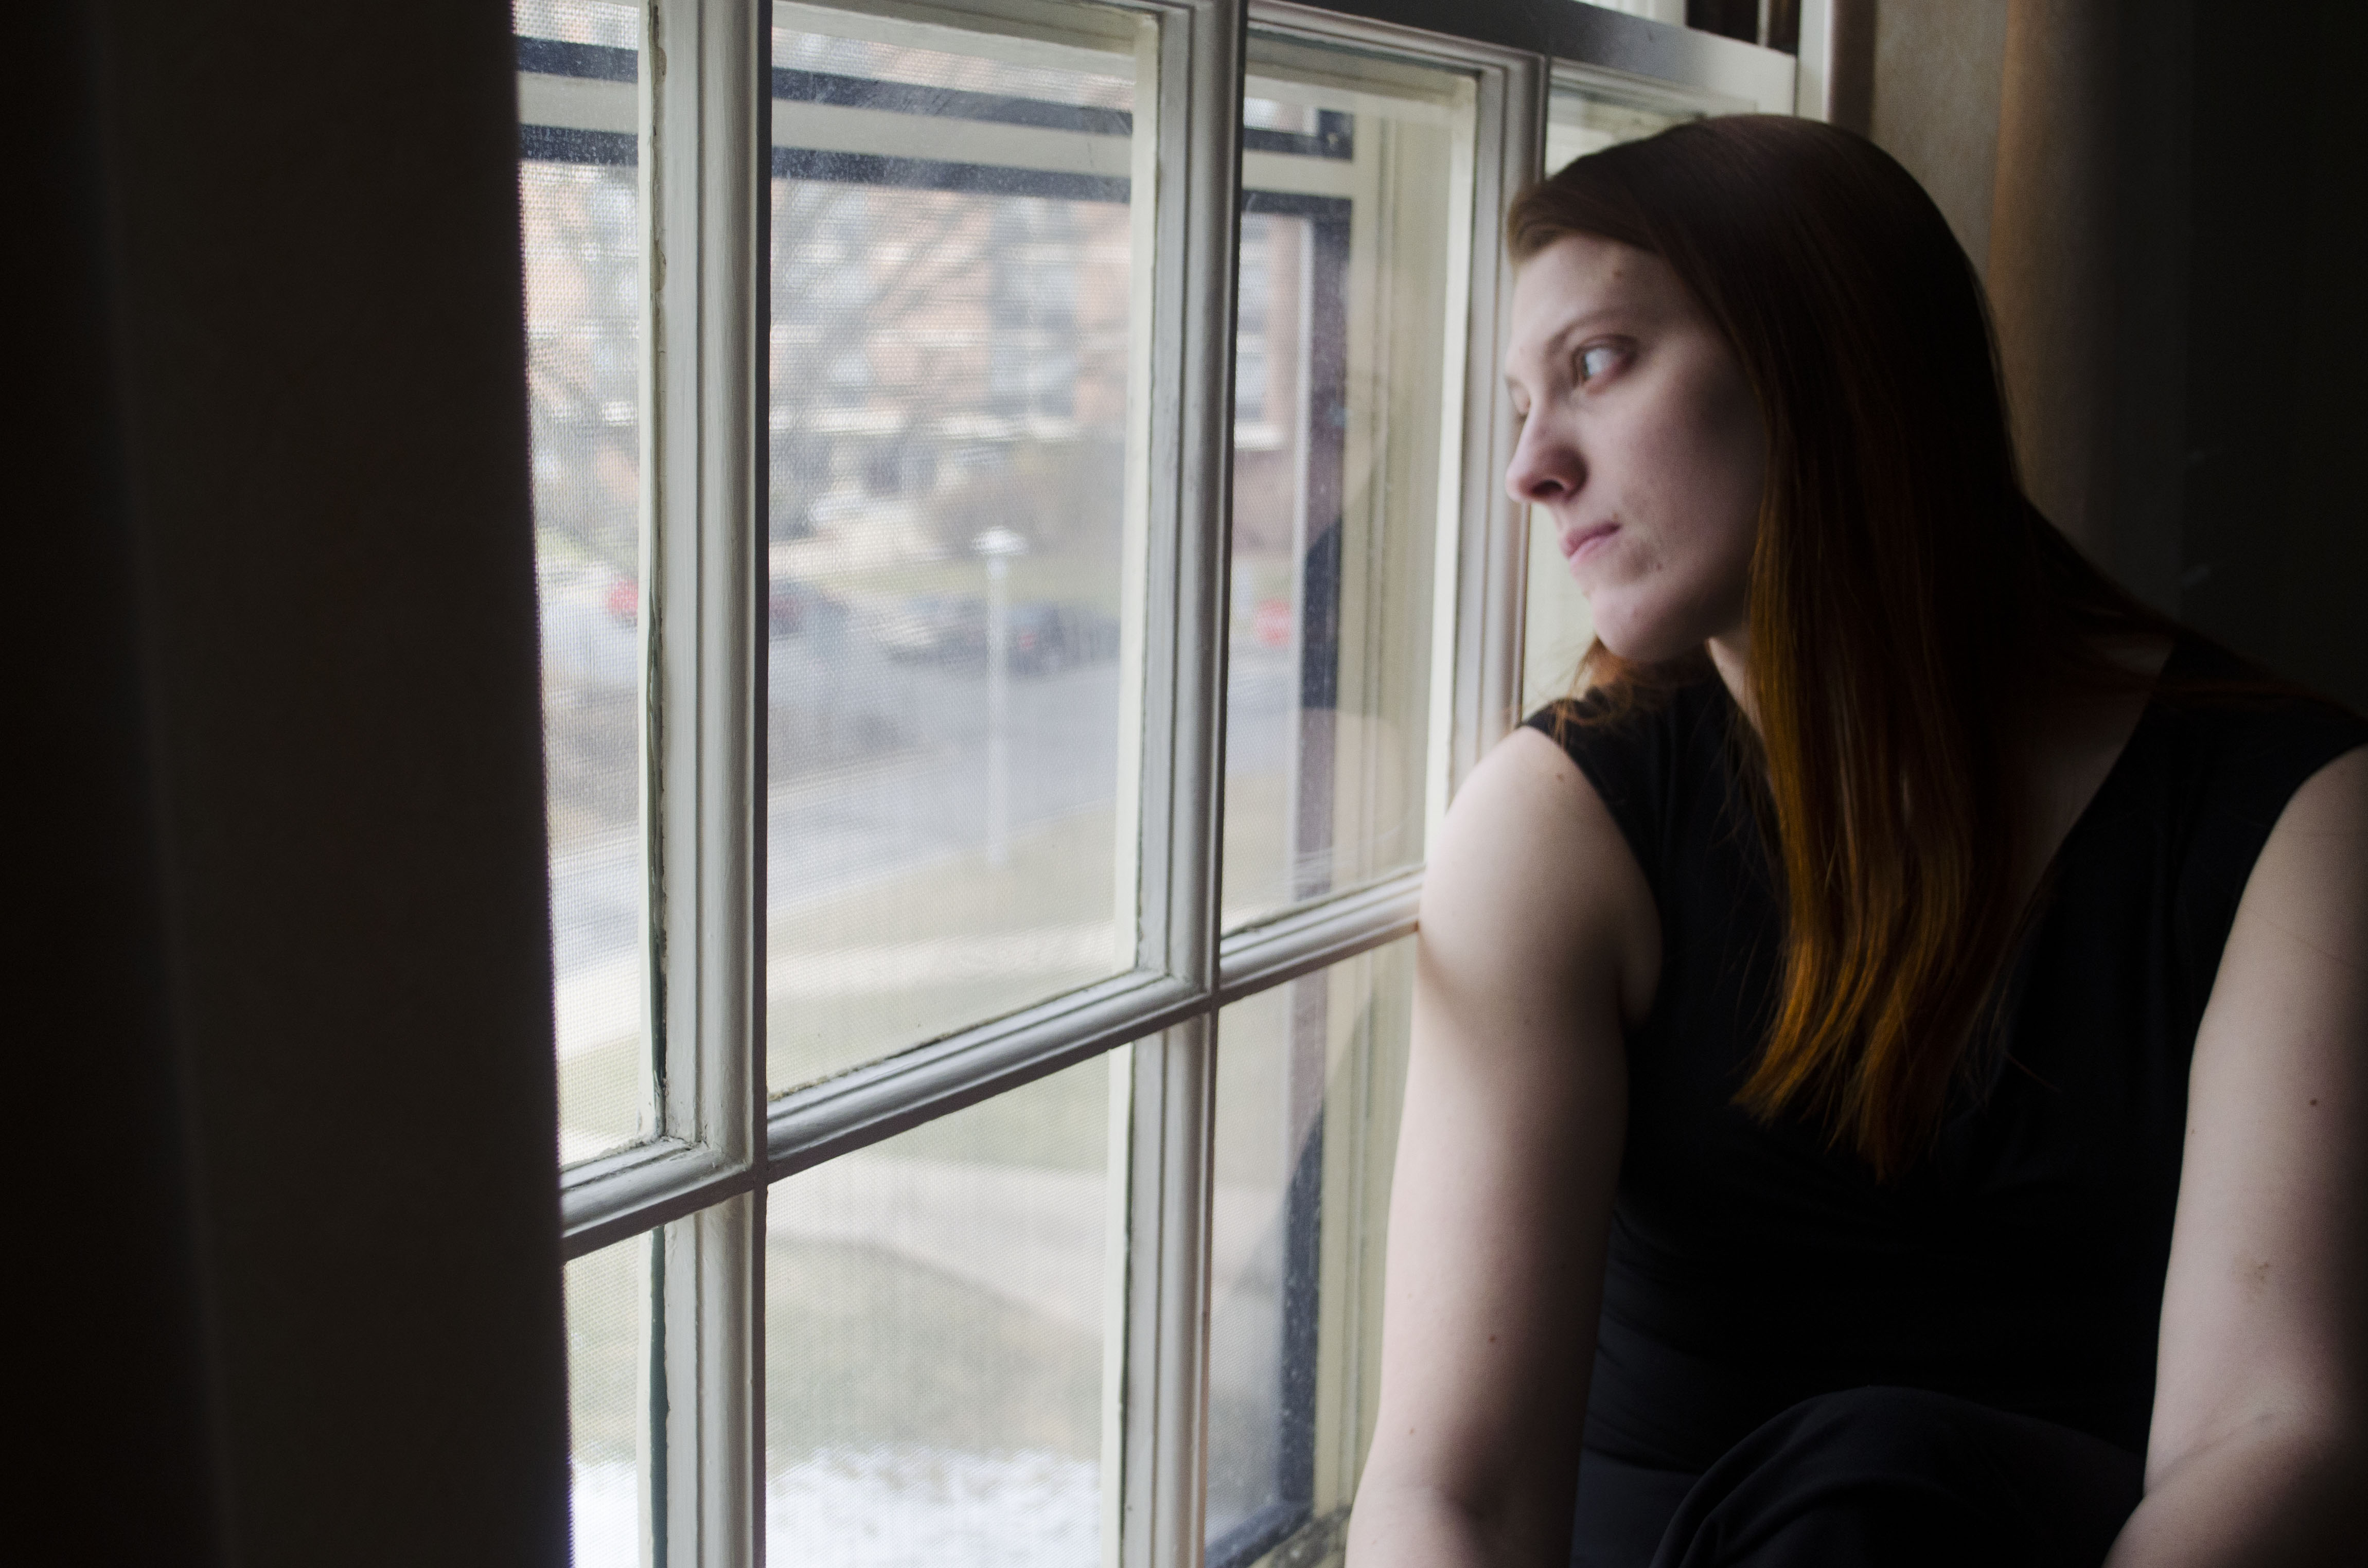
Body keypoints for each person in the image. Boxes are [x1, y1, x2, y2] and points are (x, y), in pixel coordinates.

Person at [1342, 116, 2367, 1568]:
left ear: (1820, 358)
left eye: (1596, 363)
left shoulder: (2298, 817)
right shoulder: (1556, 822)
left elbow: (2273, 1435)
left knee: (1873, 1482)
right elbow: (1450, 1492)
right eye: (1519, 402)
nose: (1530, 467)